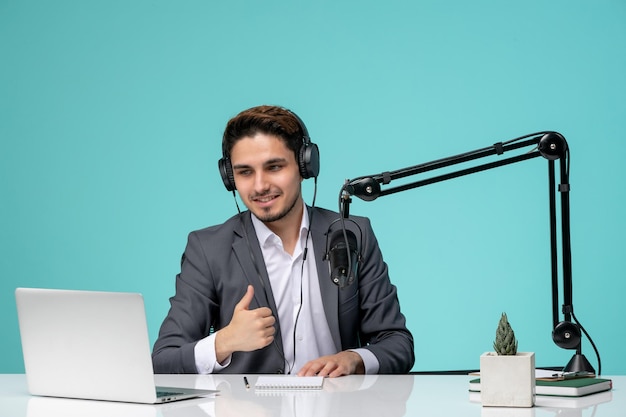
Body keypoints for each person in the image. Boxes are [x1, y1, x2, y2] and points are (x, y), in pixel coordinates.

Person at [152, 105, 414, 376]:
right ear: (230, 179)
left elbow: (398, 344)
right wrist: (224, 342)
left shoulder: (353, 234)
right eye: (245, 172)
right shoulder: (208, 249)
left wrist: (354, 359)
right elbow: (163, 361)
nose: (260, 186)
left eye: (274, 167)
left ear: (305, 166)